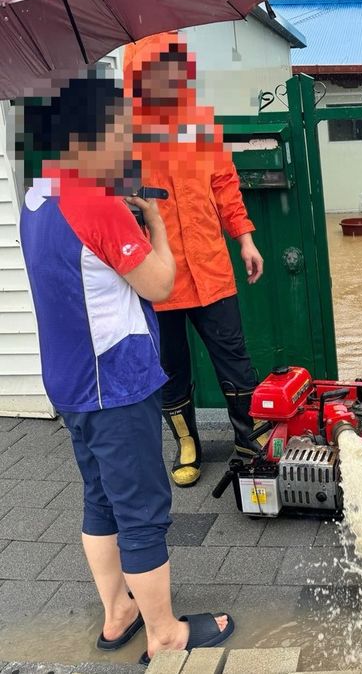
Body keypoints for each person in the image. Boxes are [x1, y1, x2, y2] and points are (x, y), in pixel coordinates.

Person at [18, 70, 234, 663]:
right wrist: (155, 226)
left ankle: (119, 613)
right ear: (88, 136)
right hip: (114, 379)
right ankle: (165, 633)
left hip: (67, 380)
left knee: (100, 498)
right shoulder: (97, 205)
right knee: (142, 508)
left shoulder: (37, 195)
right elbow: (161, 284)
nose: (128, 145)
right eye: (119, 132)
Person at [124, 32, 264, 488]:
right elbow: (109, 204)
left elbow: (224, 184)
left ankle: (249, 441)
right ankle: (188, 445)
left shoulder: (200, 123)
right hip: (156, 275)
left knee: (235, 360)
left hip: (210, 269)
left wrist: (244, 238)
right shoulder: (121, 134)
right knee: (170, 368)